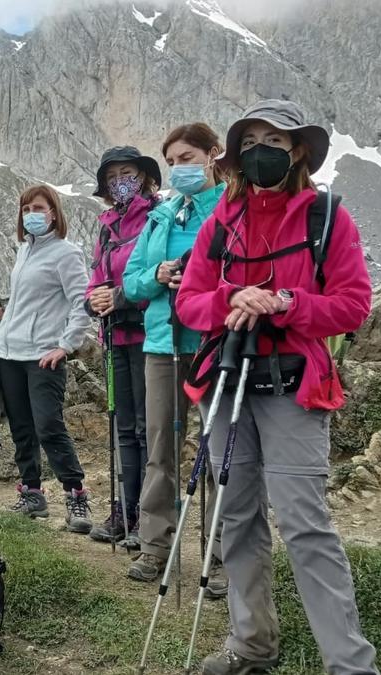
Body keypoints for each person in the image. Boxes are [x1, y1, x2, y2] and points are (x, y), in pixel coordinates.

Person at [176, 99, 378, 674]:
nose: (262, 151)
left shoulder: (327, 216)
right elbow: (190, 301)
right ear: (238, 155)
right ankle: (250, 645)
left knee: (304, 522)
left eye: (276, 141)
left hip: (295, 385)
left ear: (298, 154)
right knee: (235, 517)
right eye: (252, 141)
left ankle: (349, 664)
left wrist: (287, 303)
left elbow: (352, 304)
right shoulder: (223, 222)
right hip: (227, 383)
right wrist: (230, 298)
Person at [122, 124, 229, 594]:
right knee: (160, 447)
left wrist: (200, 282)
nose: (179, 168)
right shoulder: (161, 216)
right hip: (162, 344)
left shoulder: (232, 208)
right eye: (172, 161)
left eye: (187, 157)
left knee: (219, 451)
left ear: (213, 155)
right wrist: (159, 274)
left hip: (212, 342)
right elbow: (131, 281)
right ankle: (155, 548)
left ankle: (222, 555)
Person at [0, 186, 93, 532]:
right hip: (9, 352)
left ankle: (76, 494)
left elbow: (83, 302)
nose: (30, 213)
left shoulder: (67, 253)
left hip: (43, 355)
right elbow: (29, 299)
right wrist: (5, 313)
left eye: (37, 207)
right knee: (21, 428)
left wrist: (66, 345)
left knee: (49, 425)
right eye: (25, 208)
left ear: (53, 213)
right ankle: (31, 492)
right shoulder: (23, 251)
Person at [84, 146, 164, 549]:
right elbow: (96, 275)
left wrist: (121, 296)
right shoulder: (106, 226)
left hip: (150, 337)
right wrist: (93, 299)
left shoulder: (157, 217)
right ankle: (126, 510)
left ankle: (148, 517)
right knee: (125, 429)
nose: (121, 182)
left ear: (145, 177)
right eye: (113, 176)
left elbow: (157, 275)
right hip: (114, 335)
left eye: (128, 173)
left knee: (147, 429)